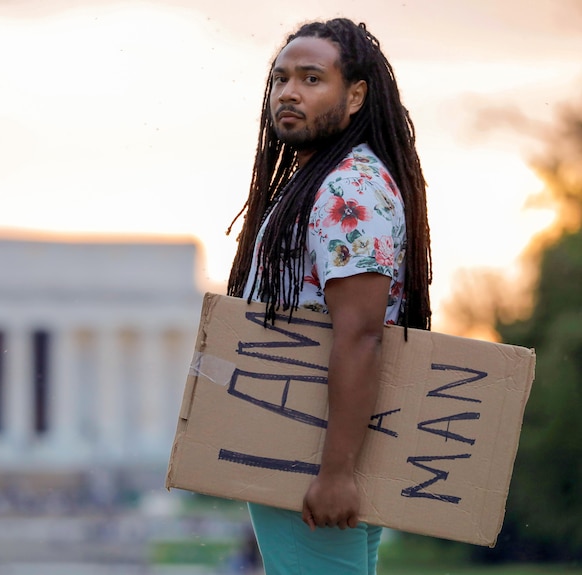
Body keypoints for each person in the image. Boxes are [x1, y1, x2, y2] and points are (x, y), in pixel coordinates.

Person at [225, 18, 432, 575]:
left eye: (313, 79)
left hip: (311, 450)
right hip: (311, 444)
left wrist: (336, 472)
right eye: (280, 79)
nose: (289, 92)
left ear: (357, 94)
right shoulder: (326, 180)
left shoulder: (349, 186)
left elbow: (361, 334)